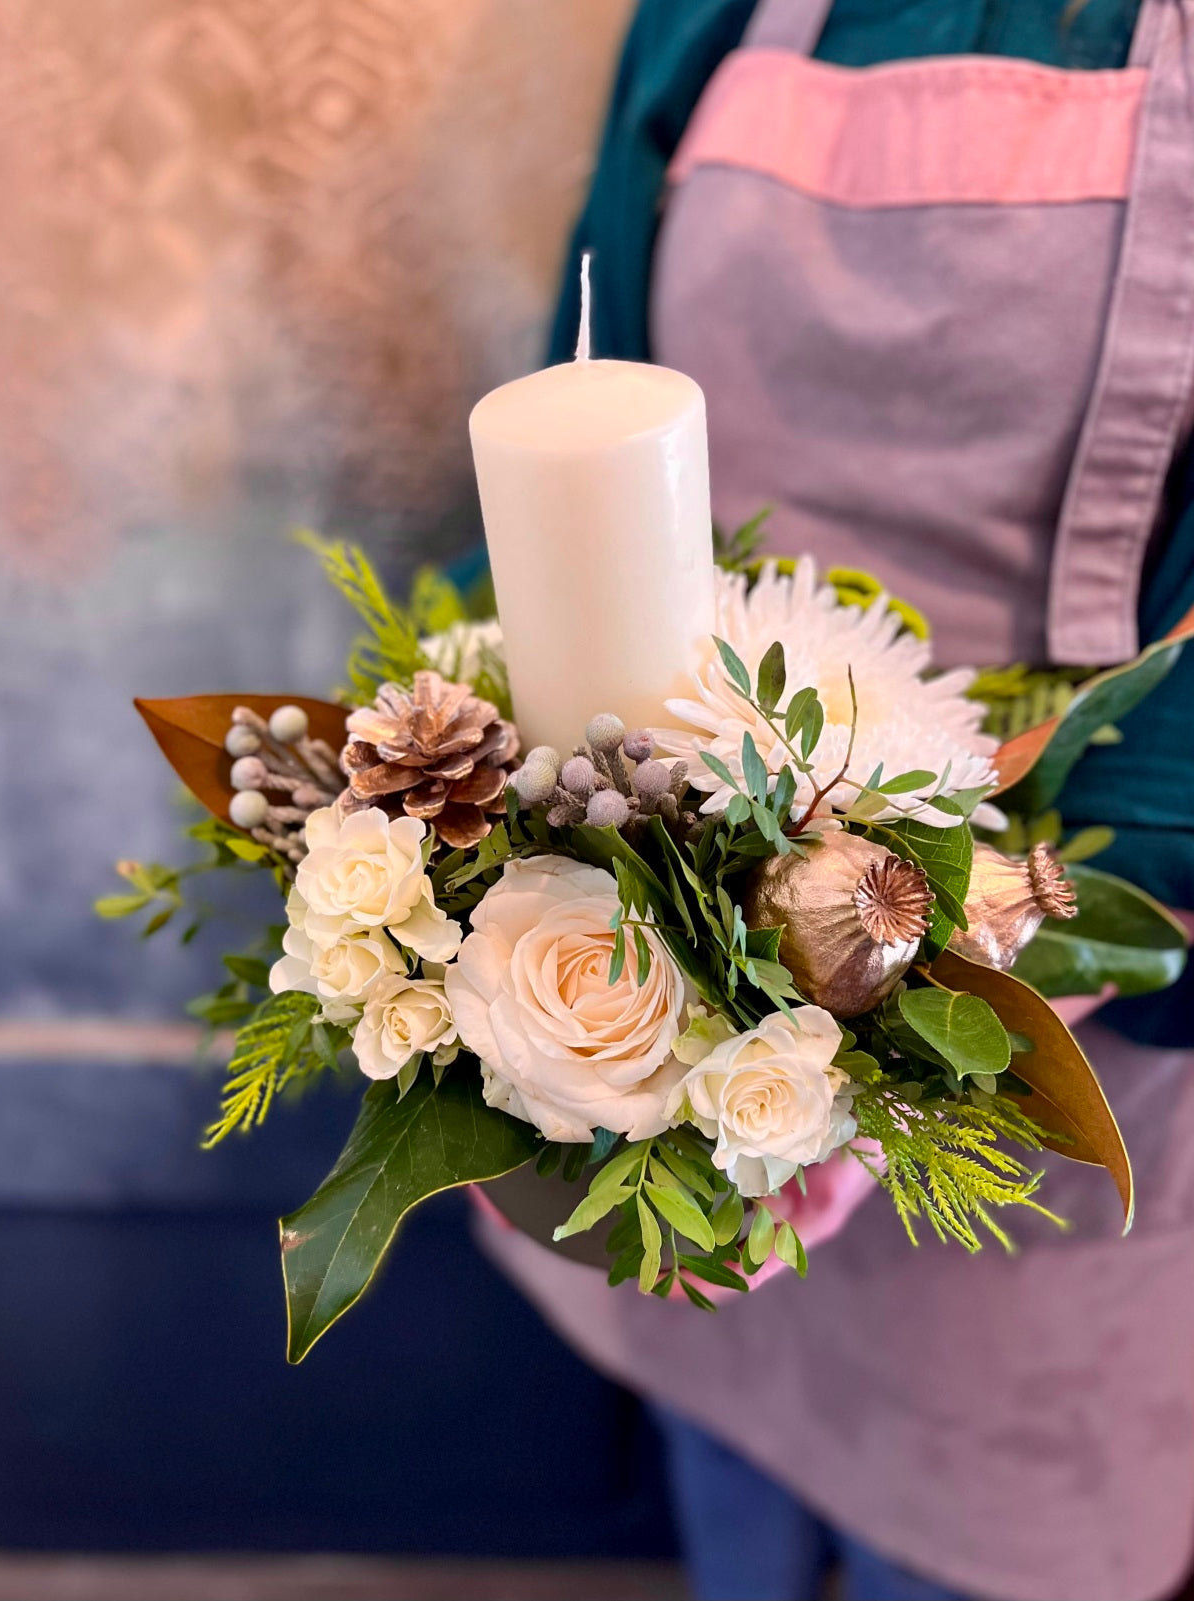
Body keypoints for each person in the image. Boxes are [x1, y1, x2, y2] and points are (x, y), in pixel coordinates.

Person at [477, 3, 1194, 1599]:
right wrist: (462, 825)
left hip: (1023, 997)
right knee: (726, 1476)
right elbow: (573, 401)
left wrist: (890, 1003)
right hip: (669, 924)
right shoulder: (707, 18)